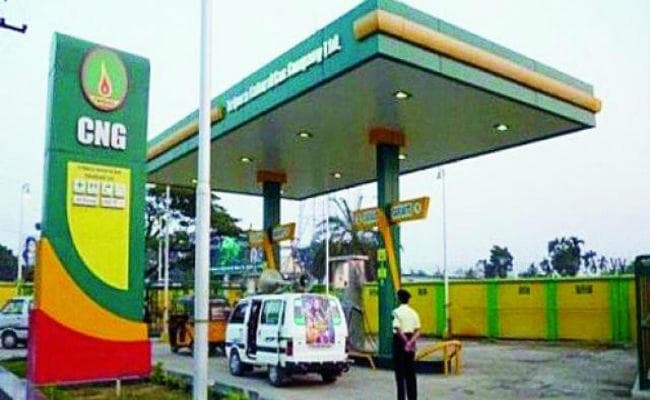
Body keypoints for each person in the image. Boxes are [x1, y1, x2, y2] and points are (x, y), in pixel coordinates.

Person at [392, 288, 420, 400]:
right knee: (411, 372)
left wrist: (406, 342)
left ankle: (401, 398)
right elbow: (418, 331)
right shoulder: (414, 313)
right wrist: (411, 342)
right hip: (411, 340)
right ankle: (413, 397)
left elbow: (397, 329)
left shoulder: (396, 312)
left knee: (400, 374)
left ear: (399, 299)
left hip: (399, 342)